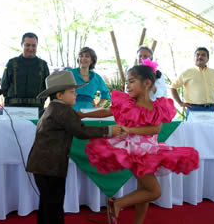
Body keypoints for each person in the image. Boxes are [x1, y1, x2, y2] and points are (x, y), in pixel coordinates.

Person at [79, 60, 199, 224]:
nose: (127, 85)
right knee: (155, 191)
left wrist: (130, 130)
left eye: (131, 81)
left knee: (144, 191)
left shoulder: (157, 107)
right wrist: (85, 114)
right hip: (135, 152)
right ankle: (117, 203)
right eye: (127, 81)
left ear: (147, 83)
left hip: (151, 151)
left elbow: (155, 129)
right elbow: (107, 111)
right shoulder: (127, 104)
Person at [26, 71, 121, 224]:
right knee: (54, 205)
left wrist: (79, 115)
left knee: (47, 203)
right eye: (72, 91)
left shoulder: (53, 109)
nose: (76, 95)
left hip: (41, 165)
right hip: (50, 167)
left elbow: (71, 122)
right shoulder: (63, 111)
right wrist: (109, 130)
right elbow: (81, 131)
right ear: (59, 95)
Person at [1, 32, 50, 116]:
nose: (31, 48)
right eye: (27, 45)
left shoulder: (43, 65)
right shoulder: (12, 63)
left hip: (37, 110)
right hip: (13, 109)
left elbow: (48, 88)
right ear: (22, 45)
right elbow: (4, 86)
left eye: (34, 45)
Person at [170, 47, 214, 119]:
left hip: (211, 109)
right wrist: (180, 103)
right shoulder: (186, 73)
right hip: (193, 109)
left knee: (211, 130)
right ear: (194, 58)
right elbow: (173, 87)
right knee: (193, 130)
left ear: (207, 59)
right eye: (197, 55)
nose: (200, 57)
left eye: (203, 55)